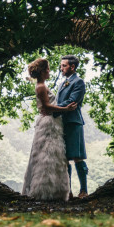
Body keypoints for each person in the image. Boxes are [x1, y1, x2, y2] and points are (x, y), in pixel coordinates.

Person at [22, 58, 77, 201]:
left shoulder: (43, 85)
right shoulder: (40, 86)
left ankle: (55, 191)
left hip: (53, 122)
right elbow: (46, 106)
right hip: (48, 123)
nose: (49, 71)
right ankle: (42, 191)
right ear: (42, 71)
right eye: (47, 69)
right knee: (45, 156)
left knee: (54, 156)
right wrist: (65, 108)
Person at [53, 55, 89, 199]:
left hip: (74, 123)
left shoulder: (78, 82)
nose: (61, 68)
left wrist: (52, 109)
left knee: (77, 157)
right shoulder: (62, 83)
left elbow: (71, 102)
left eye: (64, 66)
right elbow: (63, 103)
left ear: (72, 67)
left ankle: (84, 191)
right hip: (61, 123)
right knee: (65, 158)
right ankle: (68, 191)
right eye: (61, 65)